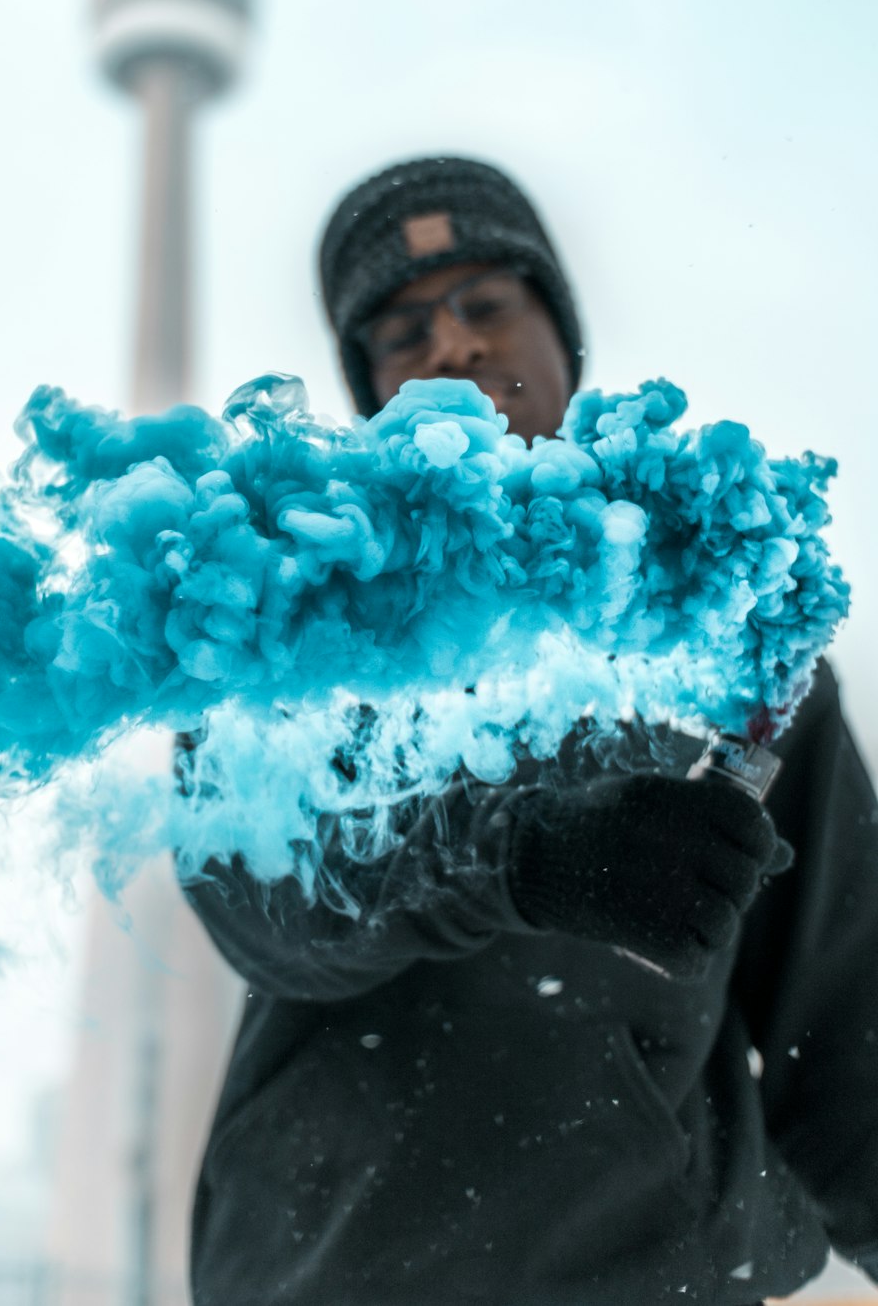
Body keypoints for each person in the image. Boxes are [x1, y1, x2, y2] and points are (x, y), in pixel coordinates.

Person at [179, 156, 878, 1305]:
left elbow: (847, 1045)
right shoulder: (296, 608)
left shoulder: (731, 639)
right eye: (401, 333)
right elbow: (255, 897)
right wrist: (521, 858)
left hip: (653, 1277)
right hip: (326, 1274)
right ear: (370, 393)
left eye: (488, 303)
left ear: (565, 336)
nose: (453, 345)